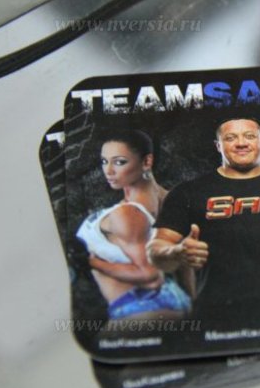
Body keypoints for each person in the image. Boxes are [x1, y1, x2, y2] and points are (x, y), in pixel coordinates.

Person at [146, 118, 260, 329]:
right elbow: (156, 250)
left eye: (249, 136)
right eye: (230, 138)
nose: (241, 143)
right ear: (218, 145)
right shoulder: (188, 192)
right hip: (218, 312)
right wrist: (176, 253)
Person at [76, 130, 191, 320]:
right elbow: (186, 265)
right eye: (104, 161)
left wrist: (91, 262)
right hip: (169, 301)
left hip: (141, 305)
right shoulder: (172, 201)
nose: (108, 171)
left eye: (119, 162)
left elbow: (151, 276)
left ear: (146, 162)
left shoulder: (128, 214)